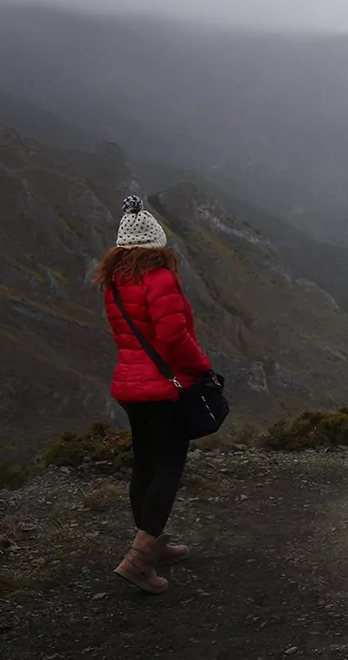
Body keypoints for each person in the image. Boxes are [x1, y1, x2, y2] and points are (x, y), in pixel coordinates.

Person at [92, 195, 212, 594]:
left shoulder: (115, 283)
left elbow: (127, 337)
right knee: (168, 466)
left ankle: (153, 544)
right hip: (164, 387)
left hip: (131, 386)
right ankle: (140, 560)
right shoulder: (159, 280)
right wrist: (201, 369)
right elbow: (174, 337)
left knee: (145, 464)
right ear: (156, 243)